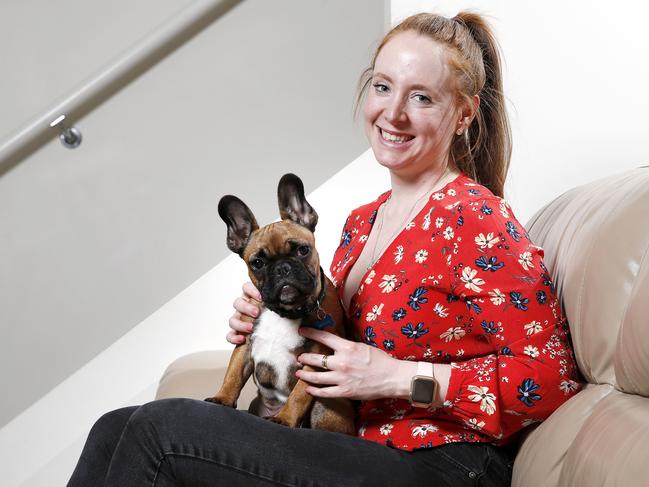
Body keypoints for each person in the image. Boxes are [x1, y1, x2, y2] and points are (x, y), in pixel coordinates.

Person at [68, 11, 581, 486]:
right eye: (383, 87)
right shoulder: (364, 222)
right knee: (115, 427)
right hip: (350, 442)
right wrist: (273, 317)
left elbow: (550, 381)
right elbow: (333, 341)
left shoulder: (474, 217)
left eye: (422, 97)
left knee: (165, 428)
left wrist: (399, 378)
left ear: (464, 114)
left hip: (439, 462)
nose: (394, 113)